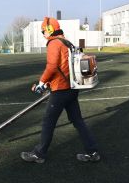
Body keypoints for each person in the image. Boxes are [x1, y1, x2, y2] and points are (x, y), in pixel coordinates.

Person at [20, 17, 100, 163]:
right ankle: (93, 151)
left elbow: (52, 66)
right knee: (78, 121)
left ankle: (39, 154)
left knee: (48, 122)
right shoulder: (67, 42)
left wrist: (42, 82)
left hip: (61, 90)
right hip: (72, 88)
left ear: (49, 30)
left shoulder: (53, 43)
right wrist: (46, 83)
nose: (43, 33)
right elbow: (62, 67)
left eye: (43, 30)